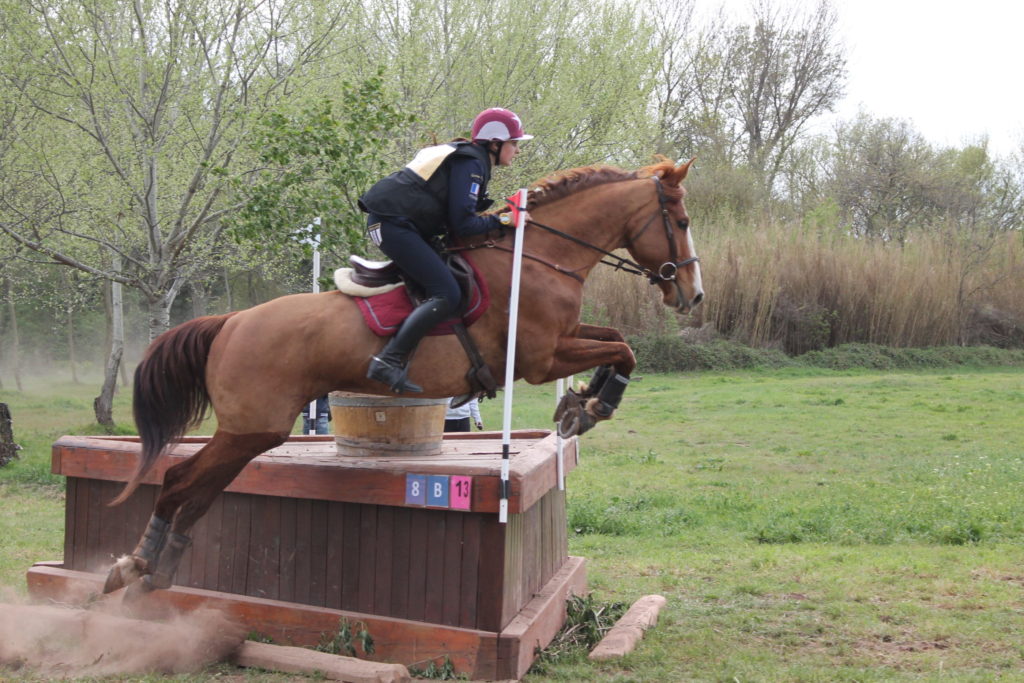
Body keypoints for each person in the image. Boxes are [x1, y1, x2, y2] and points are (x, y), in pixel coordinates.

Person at [358, 108, 533, 393]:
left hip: (399, 224)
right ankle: (387, 362)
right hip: (392, 225)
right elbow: (462, 224)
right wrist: (504, 219)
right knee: (447, 293)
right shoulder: (471, 164)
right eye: (514, 143)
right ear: (495, 143)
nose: (517, 150)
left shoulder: (473, 161)